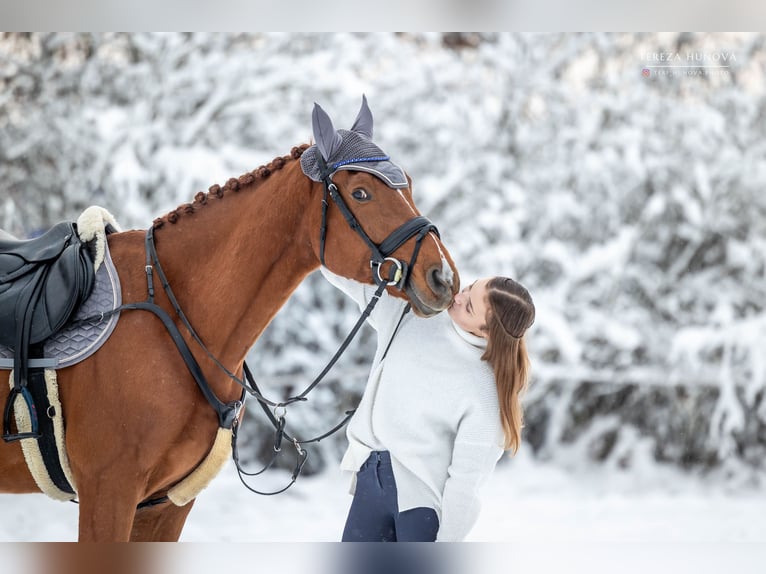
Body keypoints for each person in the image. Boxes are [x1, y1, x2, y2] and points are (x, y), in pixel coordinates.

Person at [321, 266, 535, 542]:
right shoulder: (416, 315)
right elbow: (350, 274)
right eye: (470, 287)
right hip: (370, 483)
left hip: (420, 510)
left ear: (487, 333)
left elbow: (465, 486)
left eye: (468, 307)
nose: (458, 297)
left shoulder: (485, 393)